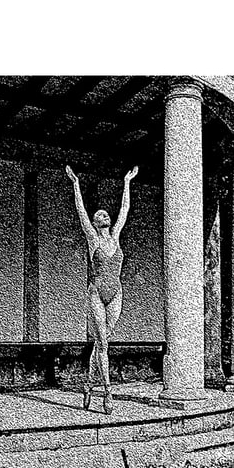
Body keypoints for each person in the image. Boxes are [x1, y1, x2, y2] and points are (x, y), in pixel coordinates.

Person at [66, 164, 138, 414]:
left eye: (106, 214)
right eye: (99, 215)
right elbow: (81, 211)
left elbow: (125, 209)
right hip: (97, 292)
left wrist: (127, 182)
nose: (104, 216)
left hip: (116, 292)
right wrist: (76, 184)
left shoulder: (116, 236)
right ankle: (107, 391)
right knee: (103, 344)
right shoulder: (92, 238)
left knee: (101, 342)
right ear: (95, 222)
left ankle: (88, 383)